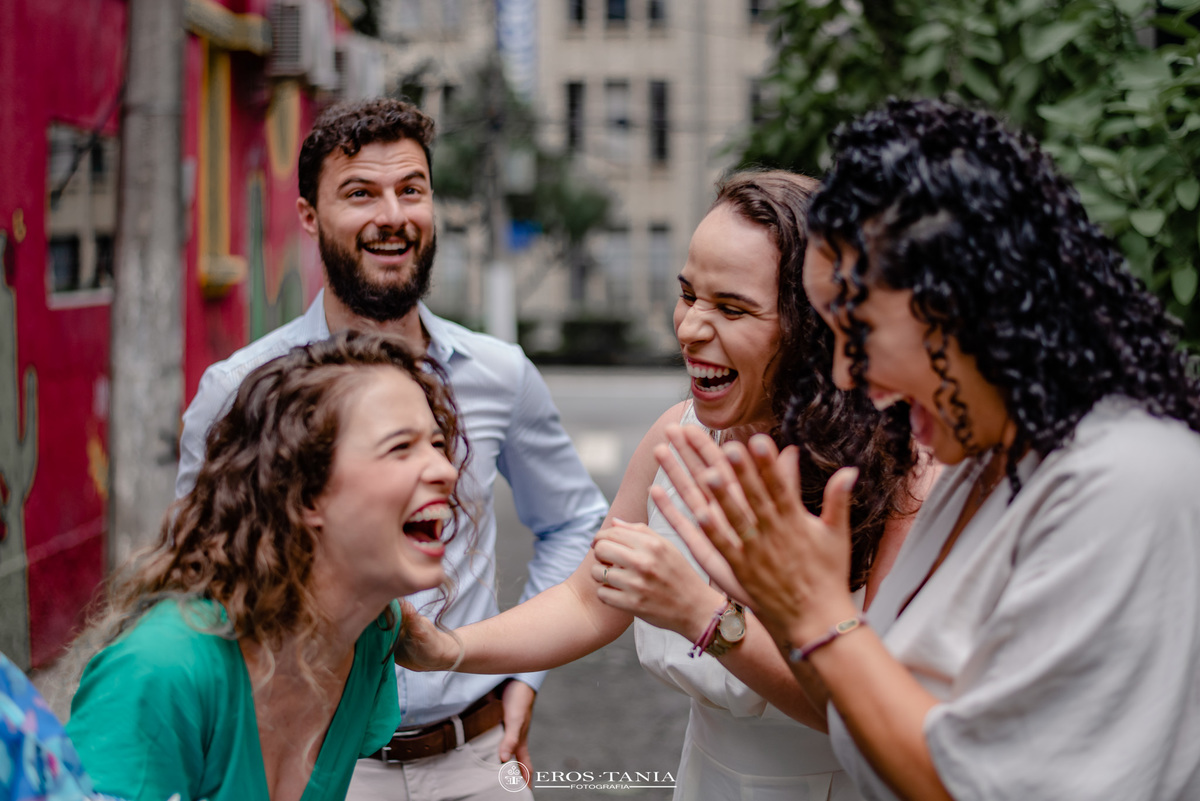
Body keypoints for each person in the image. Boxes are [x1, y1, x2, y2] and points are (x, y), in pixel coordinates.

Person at [667, 98, 1200, 801]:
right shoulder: (980, 464)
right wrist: (782, 601)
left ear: (962, 307)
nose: (844, 375)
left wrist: (811, 612)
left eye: (857, 334)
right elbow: (878, 710)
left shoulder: (1130, 480)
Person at [399, 171, 931, 800]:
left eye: (731, 308)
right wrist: (444, 647)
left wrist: (704, 616)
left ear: (813, 325)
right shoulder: (677, 434)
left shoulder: (903, 473)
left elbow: (872, 716)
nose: (689, 329)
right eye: (687, 294)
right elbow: (588, 600)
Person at [174, 98, 608, 801]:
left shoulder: (499, 373)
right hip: (315, 763)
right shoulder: (240, 390)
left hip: (477, 755)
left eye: (411, 189)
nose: (392, 215)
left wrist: (523, 672)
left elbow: (574, 523)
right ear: (310, 217)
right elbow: (194, 583)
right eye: (359, 193)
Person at [67, 332, 463, 801]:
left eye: (438, 444)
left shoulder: (373, 631)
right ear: (307, 492)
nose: (446, 470)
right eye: (401, 448)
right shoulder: (162, 668)